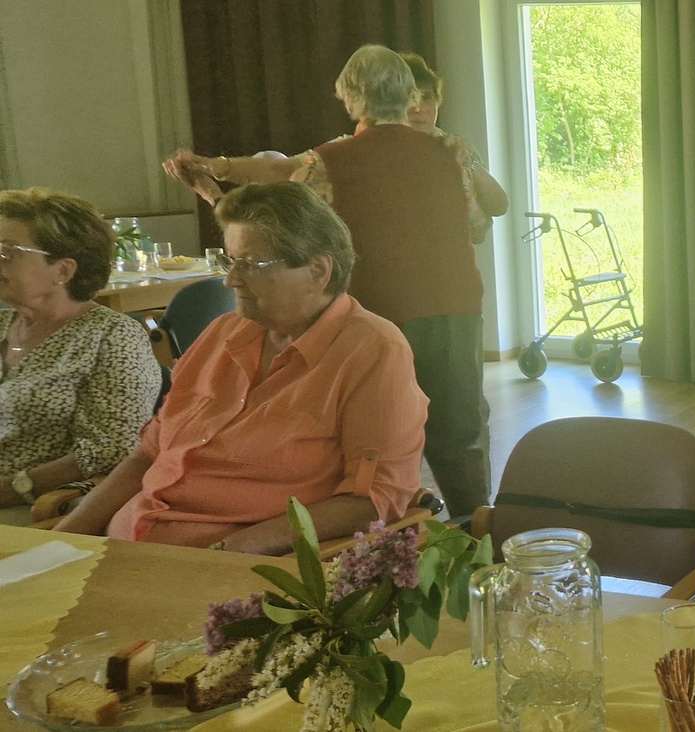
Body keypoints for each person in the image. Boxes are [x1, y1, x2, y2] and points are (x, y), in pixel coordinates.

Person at [161, 45, 492, 518]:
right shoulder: (451, 154)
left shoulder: (328, 161)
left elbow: (284, 228)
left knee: (369, 437)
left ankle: (380, 533)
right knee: (460, 434)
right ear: (408, 95)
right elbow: (477, 226)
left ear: (353, 98)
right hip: (454, 307)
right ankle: (477, 532)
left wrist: (213, 188)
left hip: (374, 314)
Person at [55, 182, 429, 554]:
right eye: (230, 261)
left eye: (250, 264)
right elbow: (148, 455)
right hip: (122, 551)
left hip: (227, 570)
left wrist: (235, 549)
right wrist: (61, 541)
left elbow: (375, 498)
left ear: (318, 271)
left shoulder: (371, 350)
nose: (230, 279)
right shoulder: (223, 333)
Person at [0, 189, 159, 520]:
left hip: (35, 507)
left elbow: (114, 448)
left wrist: (15, 486)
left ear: (63, 271)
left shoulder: (112, 337)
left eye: (7, 252)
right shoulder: (4, 322)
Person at [401, 52, 509, 225]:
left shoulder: (455, 144)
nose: (419, 108)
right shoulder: (383, 149)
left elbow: (499, 206)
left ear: (437, 101)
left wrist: (467, 162)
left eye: (426, 98)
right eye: (410, 99)